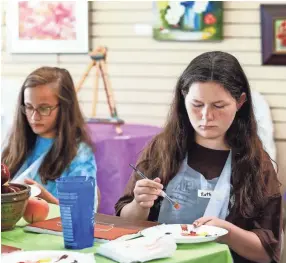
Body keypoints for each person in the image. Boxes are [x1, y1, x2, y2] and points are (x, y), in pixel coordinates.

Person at [115, 51, 282, 263]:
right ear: (184, 98)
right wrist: (139, 205)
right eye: (197, 104)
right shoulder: (162, 148)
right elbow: (124, 222)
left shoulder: (257, 163)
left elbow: (269, 253)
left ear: (240, 102)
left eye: (219, 106)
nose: (206, 116)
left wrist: (227, 233)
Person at [1, 67, 98, 209]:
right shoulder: (16, 143)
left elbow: (84, 212)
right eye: (28, 107)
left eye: (44, 108)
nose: (34, 117)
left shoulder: (79, 154)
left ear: (65, 107)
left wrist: (47, 200)